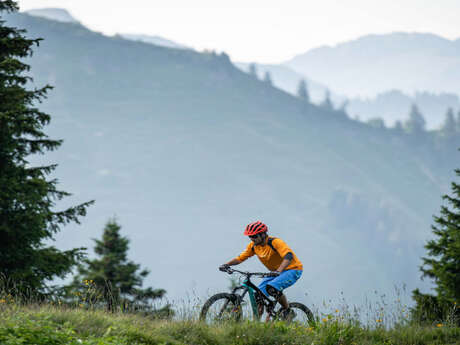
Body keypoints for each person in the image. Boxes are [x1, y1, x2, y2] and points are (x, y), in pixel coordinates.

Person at [219, 221, 303, 318]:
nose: (252, 238)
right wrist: (226, 264)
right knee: (258, 296)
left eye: (254, 236)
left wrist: (279, 271)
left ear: (263, 235)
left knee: (272, 288)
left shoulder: (275, 242)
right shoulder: (253, 246)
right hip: (275, 272)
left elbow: (289, 256)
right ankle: (257, 322)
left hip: (293, 270)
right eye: (250, 236)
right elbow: (240, 258)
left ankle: (288, 311)